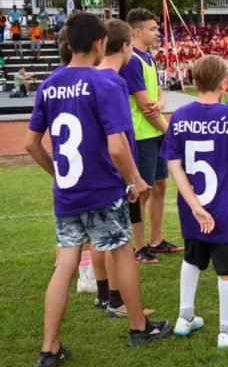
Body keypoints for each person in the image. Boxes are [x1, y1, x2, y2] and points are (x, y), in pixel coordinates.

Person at [25, 12, 170, 367]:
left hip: (69, 193)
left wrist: (58, 175)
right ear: (99, 43)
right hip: (103, 191)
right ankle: (139, 328)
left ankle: (50, 348)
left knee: (65, 265)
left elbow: (31, 144)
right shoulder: (106, 83)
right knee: (122, 254)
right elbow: (118, 147)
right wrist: (135, 181)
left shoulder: (49, 84)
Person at [161, 55, 228, 347]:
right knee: (227, 269)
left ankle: (185, 316)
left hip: (193, 206)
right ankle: (226, 330)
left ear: (193, 82)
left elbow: (173, 164)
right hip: (224, 208)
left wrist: (193, 205)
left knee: (192, 257)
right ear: (223, 82)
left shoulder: (178, 116)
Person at [95, 19, 155, 318]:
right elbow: (117, 140)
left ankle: (108, 297)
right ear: (125, 45)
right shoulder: (112, 81)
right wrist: (134, 178)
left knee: (105, 240)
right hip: (114, 172)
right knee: (119, 244)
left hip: (98, 171)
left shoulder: (90, 78)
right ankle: (122, 306)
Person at [120, 8, 183, 263]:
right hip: (142, 135)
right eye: (152, 28)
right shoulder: (132, 61)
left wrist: (160, 100)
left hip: (154, 133)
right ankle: (139, 246)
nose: (157, 33)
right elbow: (146, 107)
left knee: (159, 185)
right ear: (137, 31)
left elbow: (157, 93)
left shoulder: (149, 58)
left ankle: (156, 241)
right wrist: (170, 131)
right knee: (142, 191)